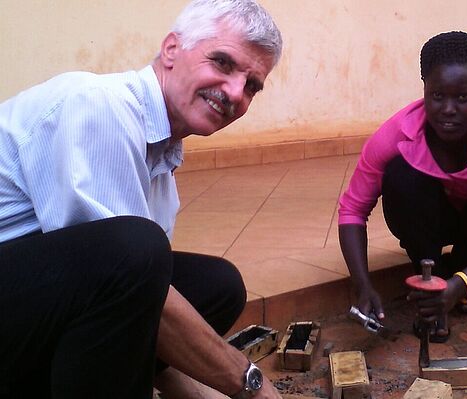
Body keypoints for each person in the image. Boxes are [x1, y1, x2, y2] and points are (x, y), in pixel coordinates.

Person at [0, 1, 283, 398]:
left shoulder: (161, 164)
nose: (236, 93)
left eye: (252, 85)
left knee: (217, 286)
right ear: (171, 50)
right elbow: (128, 272)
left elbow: (137, 308)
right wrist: (251, 385)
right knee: (138, 253)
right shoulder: (100, 106)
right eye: (222, 63)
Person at [338, 31, 467, 343]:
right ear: (424, 91)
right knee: (400, 175)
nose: (448, 109)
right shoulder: (398, 132)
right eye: (437, 96)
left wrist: (461, 284)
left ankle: (458, 282)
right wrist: (362, 285)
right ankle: (430, 278)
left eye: (463, 97)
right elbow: (352, 210)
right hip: (429, 221)